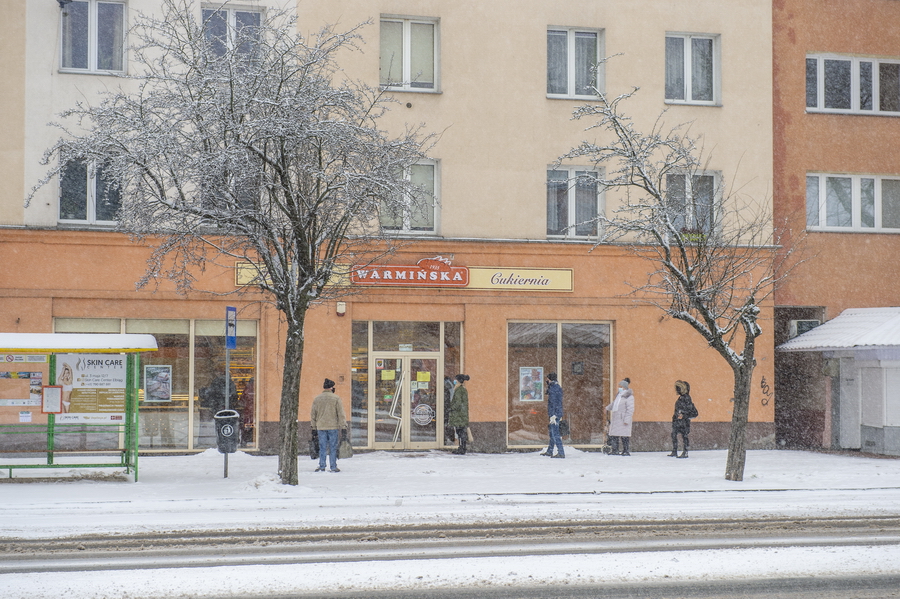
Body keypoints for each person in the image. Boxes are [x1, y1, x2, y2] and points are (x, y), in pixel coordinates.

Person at [310, 378, 347, 472]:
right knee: (333, 447)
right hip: (333, 426)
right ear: (331, 388)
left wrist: (313, 427)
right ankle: (333, 466)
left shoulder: (317, 399)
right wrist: (343, 426)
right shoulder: (336, 398)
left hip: (321, 426)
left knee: (322, 447)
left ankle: (322, 466)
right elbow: (341, 414)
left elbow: (313, 414)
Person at [670, 380, 698, 458]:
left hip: (683, 421)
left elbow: (688, 409)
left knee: (684, 436)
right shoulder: (681, 398)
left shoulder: (686, 398)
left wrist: (682, 414)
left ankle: (685, 452)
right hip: (678, 420)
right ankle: (675, 451)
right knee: (674, 435)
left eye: (677, 388)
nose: (676, 390)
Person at [607, 378, 635, 456]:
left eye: (621, 386)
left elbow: (630, 409)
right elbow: (614, 404)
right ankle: (615, 450)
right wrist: (608, 408)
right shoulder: (619, 395)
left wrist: (627, 419)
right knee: (614, 435)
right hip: (616, 417)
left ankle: (625, 450)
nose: (619, 387)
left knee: (624, 436)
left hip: (623, 418)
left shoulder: (629, 397)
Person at [541, 372, 565, 458]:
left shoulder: (554, 389)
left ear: (550, 379)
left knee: (555, 433)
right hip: (555, 413)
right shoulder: (555, 387)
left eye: (547, 379)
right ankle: (550, 451)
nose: (546, 380)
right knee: (552, 433)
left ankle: (561, 452)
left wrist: (554, 415)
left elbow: (554, 403)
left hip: (554, 415)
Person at [448, 374, 470, 454]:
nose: (454, 381)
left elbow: (458, 403)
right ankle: (462, 447)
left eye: (455, 380)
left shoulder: (459, 390)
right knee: (461, 432)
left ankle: (462, 448)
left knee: (460, 432)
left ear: (458, 381)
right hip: (462, 415)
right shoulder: (462, 389)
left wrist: (451, 408)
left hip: (459, 415)